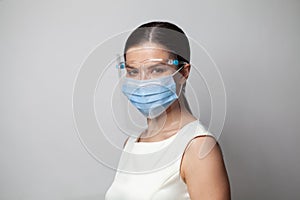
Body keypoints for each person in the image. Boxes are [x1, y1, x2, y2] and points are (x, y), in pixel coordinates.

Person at [105, 21, 230, 199]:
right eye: (133, 72)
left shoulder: (198, 148)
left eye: (156, 70)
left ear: (183, 73)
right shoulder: (132, 143)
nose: (142, 82)